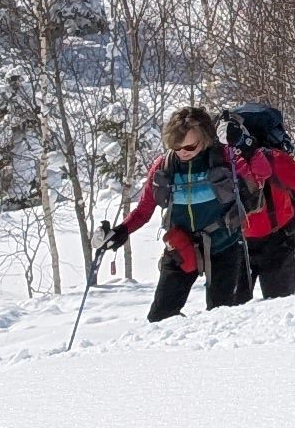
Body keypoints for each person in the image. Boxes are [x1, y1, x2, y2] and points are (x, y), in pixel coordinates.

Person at [103, 105, 251, 320]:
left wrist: (244, 145)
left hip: (224, 243)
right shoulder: (165, 166)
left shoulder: (224, 158)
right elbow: (144, 209)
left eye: (189, 146)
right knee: (159, 318)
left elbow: (258, 176)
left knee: (222, 315)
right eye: (176, 146)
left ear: (206, 139)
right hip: (181, 246)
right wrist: (122, 230)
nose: (182, 152)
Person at [221, 105, 295, 301]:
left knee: (275, 307)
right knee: (235, 310)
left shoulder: (273, 160)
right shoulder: (225, 164)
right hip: (250, 243)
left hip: (272, 243)